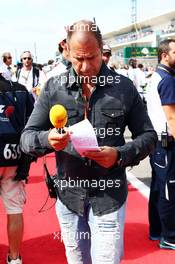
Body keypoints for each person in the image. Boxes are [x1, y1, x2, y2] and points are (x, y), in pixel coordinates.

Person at [20, 20, 157, 264]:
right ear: (67, 51)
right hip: (69, 199)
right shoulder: (53, 88)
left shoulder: (123, 88)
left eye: (92, 58)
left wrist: (119, 154)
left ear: (102, 49)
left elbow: (148, 137)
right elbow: (26, 138)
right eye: (77, 59)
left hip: (109, 198)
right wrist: (47, 139)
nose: (85, 66)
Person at [0, 73, 34, 264]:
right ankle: (14, 258)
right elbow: (33, 123)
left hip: (11, 155)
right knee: (14, 209)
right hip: (13, 156)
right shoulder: (20, 89)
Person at [146, 38, 175, 250]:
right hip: (166, 141)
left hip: (157, 141)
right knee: (169, 189)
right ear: (165, 55)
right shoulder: (167, 79)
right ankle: (170, 236)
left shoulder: (157, 76)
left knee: (158, 187)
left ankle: (156, 231)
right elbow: (172, 117)